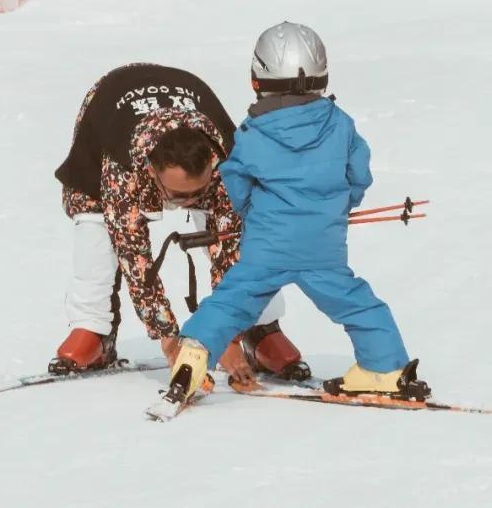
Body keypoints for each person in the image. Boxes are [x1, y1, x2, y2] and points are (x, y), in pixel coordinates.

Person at [167, 23, 427, 402]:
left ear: (257, 80)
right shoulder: (341, 125)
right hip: (324, 247)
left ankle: (192, 358)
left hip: (266, 247)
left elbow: (235, 179)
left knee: (232, 300)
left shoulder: (253, 134)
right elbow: (359, 173)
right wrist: (338, 204)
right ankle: (384, 368)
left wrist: (253, 212)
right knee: (356, 302)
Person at [52, 63, 308, 381]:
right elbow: (136, 259)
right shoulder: (124, 169)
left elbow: (231, 254)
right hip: (110, 106)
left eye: (196, 193)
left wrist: (225, 335)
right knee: (95, 226)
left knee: (249, 239)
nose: (186, 203)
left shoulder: (229, 163)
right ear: (151, 173)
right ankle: (92, 328)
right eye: (177, 194)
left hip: (189, 102)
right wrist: (169, 339)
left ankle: (260, 329)